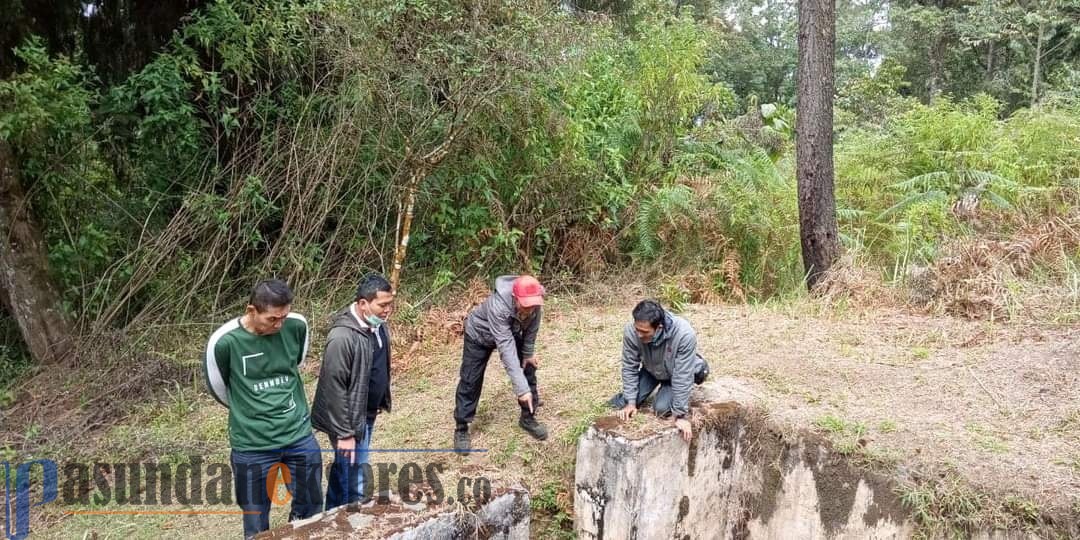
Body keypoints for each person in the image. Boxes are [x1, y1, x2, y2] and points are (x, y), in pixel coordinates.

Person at [204, 279, 322, 539]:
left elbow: (296, 364)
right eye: (272, 319)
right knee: (256, 519)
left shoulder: (297, 326)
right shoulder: (224, 342)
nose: (279, 324)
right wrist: (251, 411)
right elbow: (219, 388)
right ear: (251, 311)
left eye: (283, 317)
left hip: (297, 435)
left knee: (311, 506)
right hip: (252, 445)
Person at [310, 273, 395, 511]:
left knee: (344, 470)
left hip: (367, 412)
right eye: (383, 305)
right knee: (355, 478)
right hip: (348, 419)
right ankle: (351, 523)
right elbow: (333, 388)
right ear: (363, 304)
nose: (388, 310)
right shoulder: (342, 337)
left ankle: (332, 516)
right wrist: (344, 433)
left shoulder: (376, 325)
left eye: (390, 304)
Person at [453, 275, 548, 454]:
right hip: (479, 335)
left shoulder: (535, 304)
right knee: (470, 379)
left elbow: (531, 330)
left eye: (532, 306)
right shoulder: (499, 306)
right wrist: (521, 389)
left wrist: (528, 353)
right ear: (515, 298)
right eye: (525, 306)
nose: (529, 310)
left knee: (528, 367)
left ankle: (528, 417)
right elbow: (506, 349)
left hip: (511, 331)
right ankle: (461, 427)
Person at [609, 299, 710, 442]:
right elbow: (629, 366)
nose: (638, 334)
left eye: (644, 332)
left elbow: (682, 376)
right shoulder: (631, 332)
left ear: (660, 327)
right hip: (652, 368)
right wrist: (630, 403)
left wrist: (680, 415)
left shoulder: (684, 334)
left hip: (676, 370)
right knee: (623, 401)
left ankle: (698, 366)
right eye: (637, 329)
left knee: (661, 409)